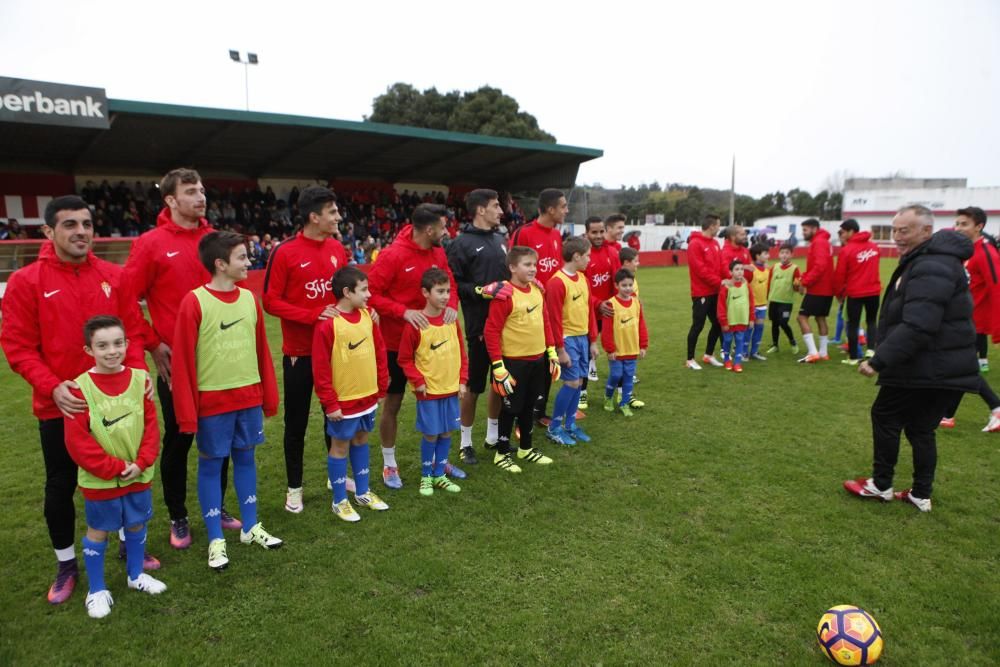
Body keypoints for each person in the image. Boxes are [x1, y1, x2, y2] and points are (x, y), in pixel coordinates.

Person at [1, 195, 158, 605]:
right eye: (70, 225)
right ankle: (67, 563)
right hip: (61, 406)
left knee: (126, 474)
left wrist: (138, 375)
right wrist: (52, 386)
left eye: (86, 224)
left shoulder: (114, 275)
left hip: (120, 402)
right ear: (49, 232)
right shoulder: (26, 282)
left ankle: (129, 546)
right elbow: (17, 346)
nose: (81, 232)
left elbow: (135, 332)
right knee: (61, 484)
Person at [123, 168, 237, 549]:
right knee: (178, 441)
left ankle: (216, 507)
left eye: (202, 189)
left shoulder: (215, 239)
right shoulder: (151, 244)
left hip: (221, 361)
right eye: (190, 191)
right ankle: (179, 516)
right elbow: (126, 301)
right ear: (170, 200)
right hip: (178, 367)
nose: (200, 196)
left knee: (219, 441)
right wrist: (154, 344)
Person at [845, 206, 978, 513]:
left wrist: (879, 360)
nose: (897, 237)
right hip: (939, 364)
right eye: (894, 230)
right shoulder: (933, 260)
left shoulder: (932, 264)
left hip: (925, 364)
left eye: (904, 230)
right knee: (920, 428)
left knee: (886, 415)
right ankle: (920, 494)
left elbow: (920, 324)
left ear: (926, 232)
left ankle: (881, 485)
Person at [171, 231, 283, 569]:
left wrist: (269, 395)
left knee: (246, 460)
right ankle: (216, 540)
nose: (249, 262)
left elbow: (262, 349)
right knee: (210, 465)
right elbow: (182, 363)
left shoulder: (250, 298)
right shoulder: (194, 301)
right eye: (241, 257)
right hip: (213, 403)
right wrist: (187, 414)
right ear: (220, 264)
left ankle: (250, 526)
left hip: (248, 397)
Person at [64, 316, 166, 618]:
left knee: (136, 524)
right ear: (89, 349)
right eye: (103, 345)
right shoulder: (79, 388)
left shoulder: (140, 380)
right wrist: (113, 467)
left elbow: (151, 428)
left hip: (138, 473)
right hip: (101, 480)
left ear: (127, 344)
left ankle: (135, 576)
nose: (112, 351)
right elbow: (78, 443)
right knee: (99, 531)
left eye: (118, 343)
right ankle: (96, 590)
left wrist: (141, 462)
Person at [261, 185, 350, 514]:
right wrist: (312, 316)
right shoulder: (285, 252)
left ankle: (335, 479)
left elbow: (344, 292)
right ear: (314, 216)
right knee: (296, 424)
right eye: (332, 212)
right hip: (299, 354)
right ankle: (294, 489)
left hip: (336, 351)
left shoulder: (337, 249)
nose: (338, 217)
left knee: (336, 419)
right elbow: (270, 301)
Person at [367, 203, 461, 489]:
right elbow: (371, 295)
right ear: (429, 229)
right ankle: (389, 464)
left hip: (435, 343)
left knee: (443, 398)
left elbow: (451, 285)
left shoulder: (438, 252)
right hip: (397, 343)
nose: (447, 233)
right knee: (393, 403)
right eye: (443, 228)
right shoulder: (392, 255)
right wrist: (403, 312)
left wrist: (452, 307)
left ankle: (438, 462)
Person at [312, 266, 391, 522]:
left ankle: (363, 492)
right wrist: (330, 403)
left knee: (361, 441)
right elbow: (321, 369)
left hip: (367, 396)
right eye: (364, 289)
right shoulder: (328, 326)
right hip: (343, 402)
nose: (369, 295)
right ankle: (339, 500)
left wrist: (381, 386)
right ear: (347, 292)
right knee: (340, 447)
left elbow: (379, 351)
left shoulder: (369, 317)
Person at [445, 188, 510, 464]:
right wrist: (484, 291)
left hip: (508, 326)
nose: (501, 211)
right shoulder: (461, 244)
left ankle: (492, 437)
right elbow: (453, 285)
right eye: (496, 206)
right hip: (480, 328)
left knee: (500, 382)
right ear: (481, 210)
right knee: (474, 386)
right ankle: (465, 442)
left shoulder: (500, 238)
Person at [484, 246, 559, 472]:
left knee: (529, 406)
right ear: (512, 267)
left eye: (534, 264)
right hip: (512, 363)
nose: (533, 269)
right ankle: (502, 453)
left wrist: (552, 352)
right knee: (510, 409)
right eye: (527, 264)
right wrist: (498, 365)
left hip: (537, 360)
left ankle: (526, 448)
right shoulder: (504, 295)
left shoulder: (537, 291)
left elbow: (545, 322)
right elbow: (491, 331)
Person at [397, 268, 468, 496]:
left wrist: (462, 380)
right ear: (425, 292)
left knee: (447, 432)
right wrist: (417, 381)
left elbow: (461, 354)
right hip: (429, 391)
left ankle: (439, 474)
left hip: (451, 389)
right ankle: (426, 477)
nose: (446, 296)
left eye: (447, 291)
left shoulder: (451, 320)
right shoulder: (416, 324)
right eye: (440, 291)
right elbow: (404, 358)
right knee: (431, 434)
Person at [940, 206, 1000, 431]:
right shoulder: (965, 250)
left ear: (979, 227)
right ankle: (947, 415)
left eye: (964, 224)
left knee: (962, 367)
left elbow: (997, 288)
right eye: (957, 223)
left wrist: (996, 326)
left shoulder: (985, 253)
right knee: (961, 367)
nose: (958, 228)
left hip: (974, 321)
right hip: (962, 318)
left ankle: (996, 407)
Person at [510, 189, 567, 424]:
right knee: (527, 363)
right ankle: (517, 413)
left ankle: (538, 411)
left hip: (551, 309)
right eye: (563, 206)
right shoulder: (524, 233)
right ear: (551, 209)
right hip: (526, 309)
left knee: (547, 360)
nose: (566, 210)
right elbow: (511, 266)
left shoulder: (555, 234)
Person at [545, 236, 598, 446]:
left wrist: (593, 340)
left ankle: (570, 425)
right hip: (567, 340)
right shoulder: (557, 282)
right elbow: (553, 318)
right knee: (572, 382)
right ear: (576, 256)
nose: (589, 260)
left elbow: (589, 311)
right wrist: (560, 348)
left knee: (579, 383)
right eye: (587, 256)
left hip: (583, 338)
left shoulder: (583, 279)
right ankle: (554, 427)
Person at [832, 219, 882, 365]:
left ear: (851, 231)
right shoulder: (874, 247)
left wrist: (839, 294)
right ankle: (871, 350)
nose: (841, 235)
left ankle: (854, 358)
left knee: (853, 325)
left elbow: (839, 276)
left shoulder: (846, 250)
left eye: (842, 232)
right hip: (874, 291)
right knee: (872, 321)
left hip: (855, 293)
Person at [581, 216, 618, 408]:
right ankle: (582, 393)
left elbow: (617, 283)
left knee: (615, 350)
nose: (598, 235)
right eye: (594, 232)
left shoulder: (612, 252)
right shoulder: (583, 255)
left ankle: (620, 392)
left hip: (609, 312)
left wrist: (614, 304)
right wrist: (597, 303)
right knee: (585, 355)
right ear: (587, 232)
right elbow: (582, 288)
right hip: (588, 313)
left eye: (601, 231)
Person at [601, 268, 648, 415]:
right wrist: (610, 349)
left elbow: (642, 325)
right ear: (616, 285)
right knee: (616, 375)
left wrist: (643, 345)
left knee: (628, 378)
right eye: (624, 285)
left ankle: (624, 404)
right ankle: (608, 397)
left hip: (632, 349)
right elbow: (607, 329)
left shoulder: (636, 303)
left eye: (630, 285)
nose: (628, 288)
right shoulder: (611, 304)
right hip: (617, 350)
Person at [685, 214, 726, 369]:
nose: (719, 228)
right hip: (701, 293)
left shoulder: (715, 243)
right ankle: (690, 359)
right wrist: (719, 282)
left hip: (716, 291)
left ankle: (708, 355)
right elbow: (700, 271)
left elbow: (721, 265)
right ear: (711, 226)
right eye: (718, 225)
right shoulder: (695, 244)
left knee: (718, 322)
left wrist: (729, 278)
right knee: (698, 325)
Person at [796, 218, 834, 363]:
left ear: (814, 229)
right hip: (827, 289)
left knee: (801, 317)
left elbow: (820, 266)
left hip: (818, 289)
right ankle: (823, 353)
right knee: (820, 318)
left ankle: (813, 352)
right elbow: (818, 266)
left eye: (805, 230)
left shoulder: (818, 242)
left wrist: (804, 282)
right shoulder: (823, 241)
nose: (803, 233)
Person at [717, 259, 755, 373]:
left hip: (742, 319)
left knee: (740, 340)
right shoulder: (726, 287)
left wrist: (751, 318)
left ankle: (737, 362)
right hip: (730, 321)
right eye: (737, 269)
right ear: (730, 272)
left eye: (742, 269)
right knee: (727, 340)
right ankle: (727, 359)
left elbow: (751, 302)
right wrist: (724, 322)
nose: (740, 272)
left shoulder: (746, 285)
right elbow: (721, 306)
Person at [765, 244, 801, 354]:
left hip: (786, 302)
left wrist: (797, 285)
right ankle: (775, 345)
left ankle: (793, 342)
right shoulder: (774, 267)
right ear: (779, 254)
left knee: (783, 322)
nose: (784, 255)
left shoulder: (795, 269)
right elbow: (769, 283)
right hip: (774, 300)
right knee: (775, 323)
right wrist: (767, 297)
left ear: (791, 255)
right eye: (782, 253)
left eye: (787, 253)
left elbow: (796, 288)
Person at [746, 243, 770, 361]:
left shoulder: (767, 270)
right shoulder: (751, 269)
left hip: (762, 305)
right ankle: (744, 353)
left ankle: (754, 352)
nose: (768, 256)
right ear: (757, 255)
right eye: (765, 253)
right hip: (751, 306)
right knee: (748, 329)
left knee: (759, 328)